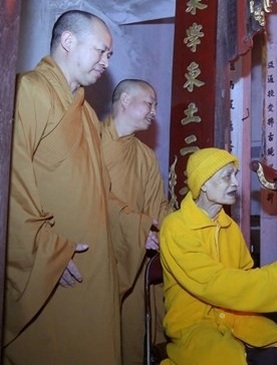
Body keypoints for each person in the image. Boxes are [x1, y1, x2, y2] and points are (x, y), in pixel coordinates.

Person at [5, 10, 156, 364]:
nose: (106, 61)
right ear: (68, 42)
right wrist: (48, 250)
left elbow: (100, 190)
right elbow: (11, 184)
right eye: (101, 51)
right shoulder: (27, 91)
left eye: (109, 55)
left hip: (93, 265)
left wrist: (134, 227)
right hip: (53, 267)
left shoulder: (87, 115)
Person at [159, 148, 277, 365]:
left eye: (235, 175)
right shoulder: (176, 227)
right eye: (226, 177)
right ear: (203, 183)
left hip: (236, 316)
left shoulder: (229, 227)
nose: (235, 183)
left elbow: (246, 276)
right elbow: (214, 284)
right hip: (193, 325)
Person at [101, 79, 175, 364]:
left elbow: (158, 205)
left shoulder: (144, 155)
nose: (154, 111)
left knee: (129, 338)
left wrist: (182, 229)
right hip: (98, 251)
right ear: (126, 101)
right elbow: (88, 196)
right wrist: (135, 227)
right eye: (149, 103)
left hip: (134, 256)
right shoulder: (91, 140)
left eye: (155, 105)